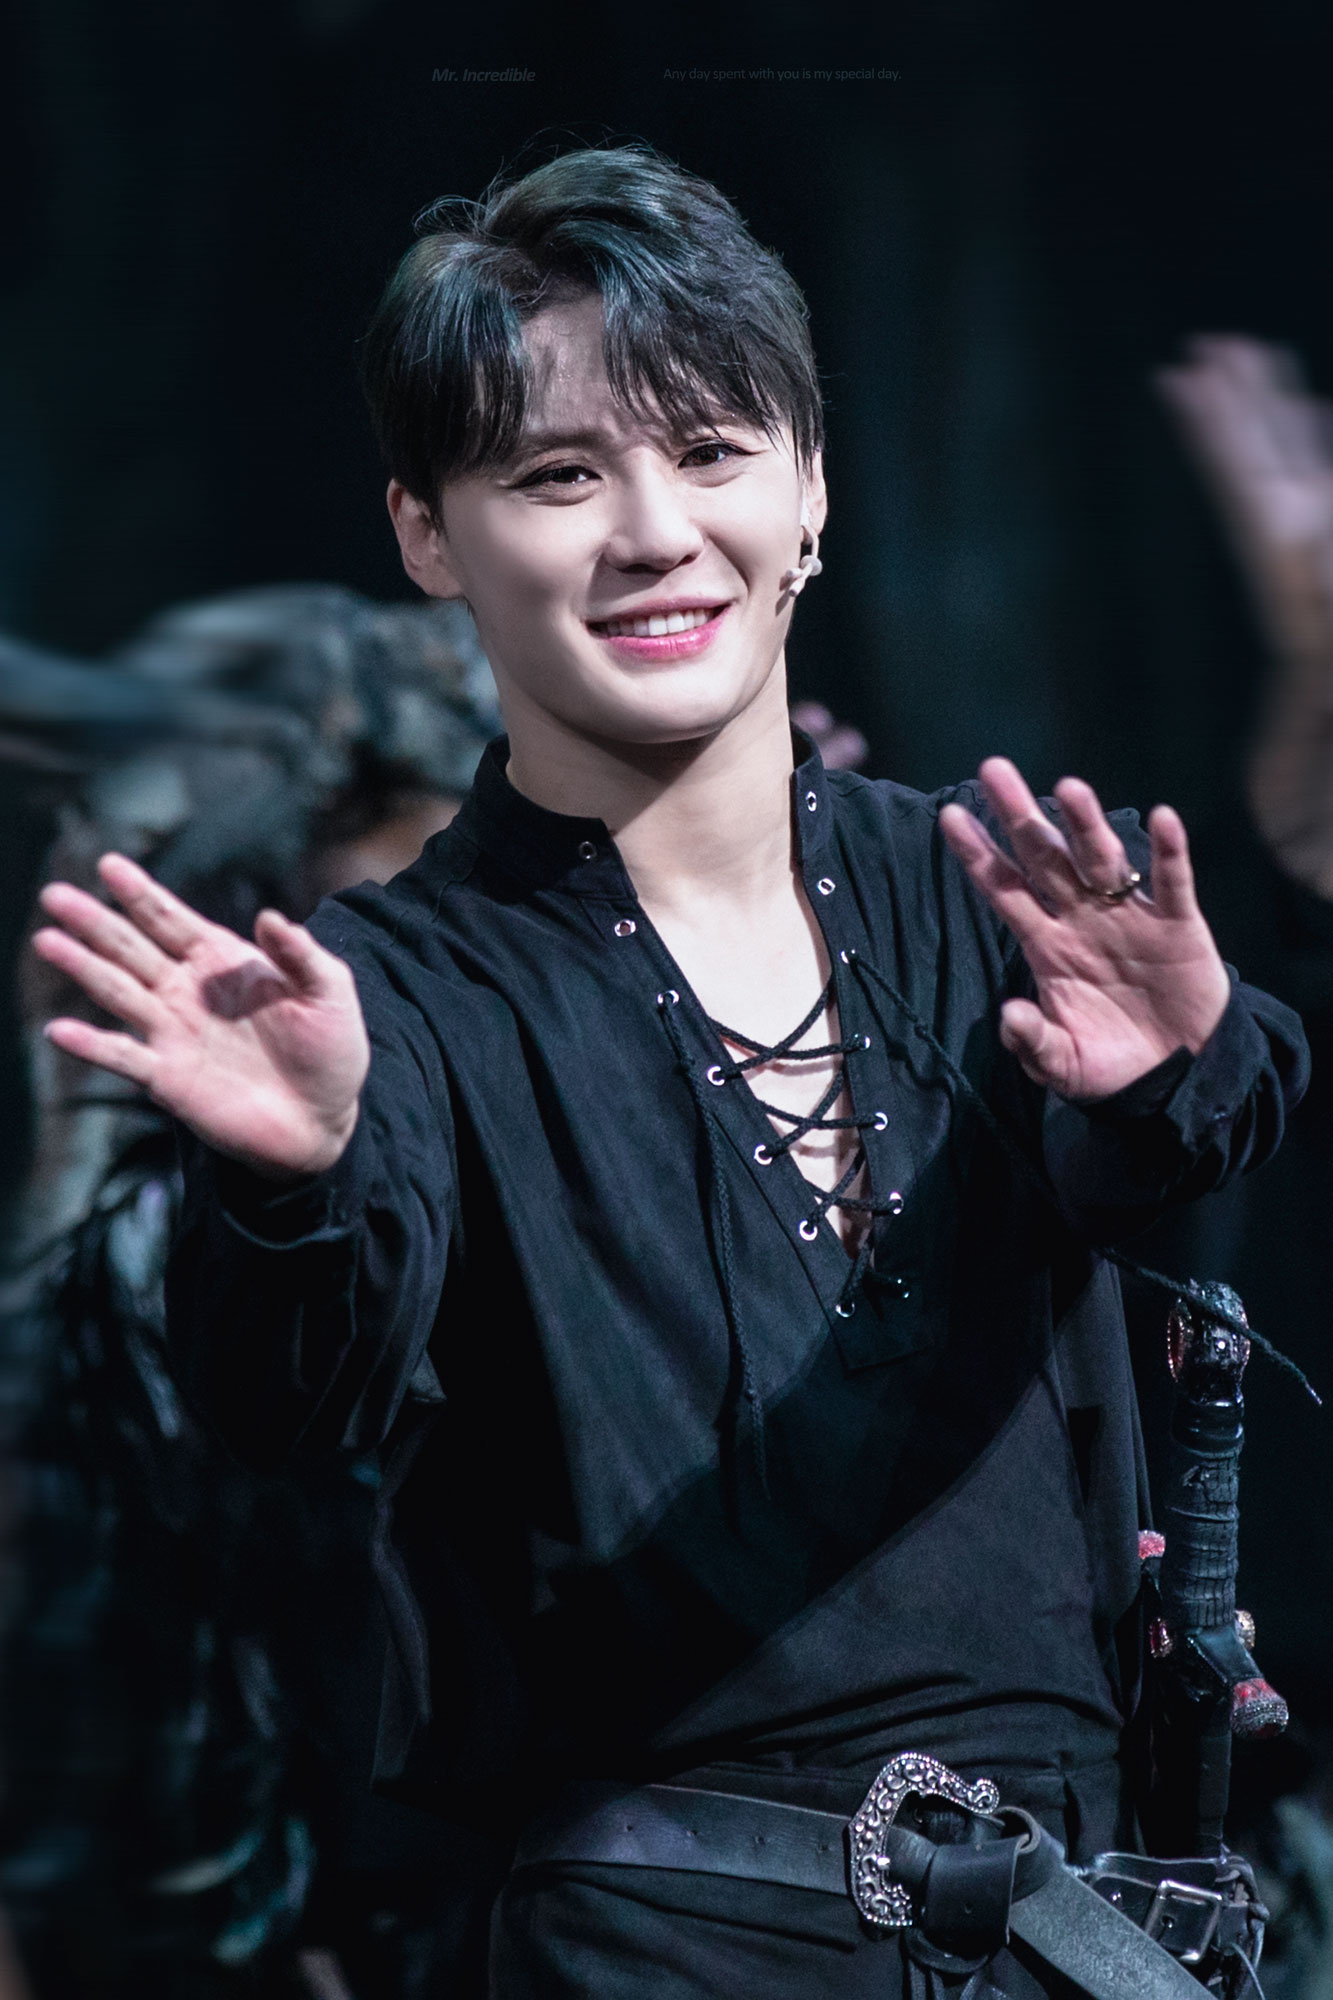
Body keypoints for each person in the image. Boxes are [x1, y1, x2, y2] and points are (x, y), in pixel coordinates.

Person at [30, 144, 1310, 1998]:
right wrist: (291, 1185)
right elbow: (288, 1395)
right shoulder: (394, 993)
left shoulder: (982, 883)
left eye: (710, 452)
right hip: (662, 1944)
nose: (651, 532)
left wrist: (1170, 1065)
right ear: (426, 534)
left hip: (1084, 1921)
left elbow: (1191, 1147)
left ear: (810, 492)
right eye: (557, 475)